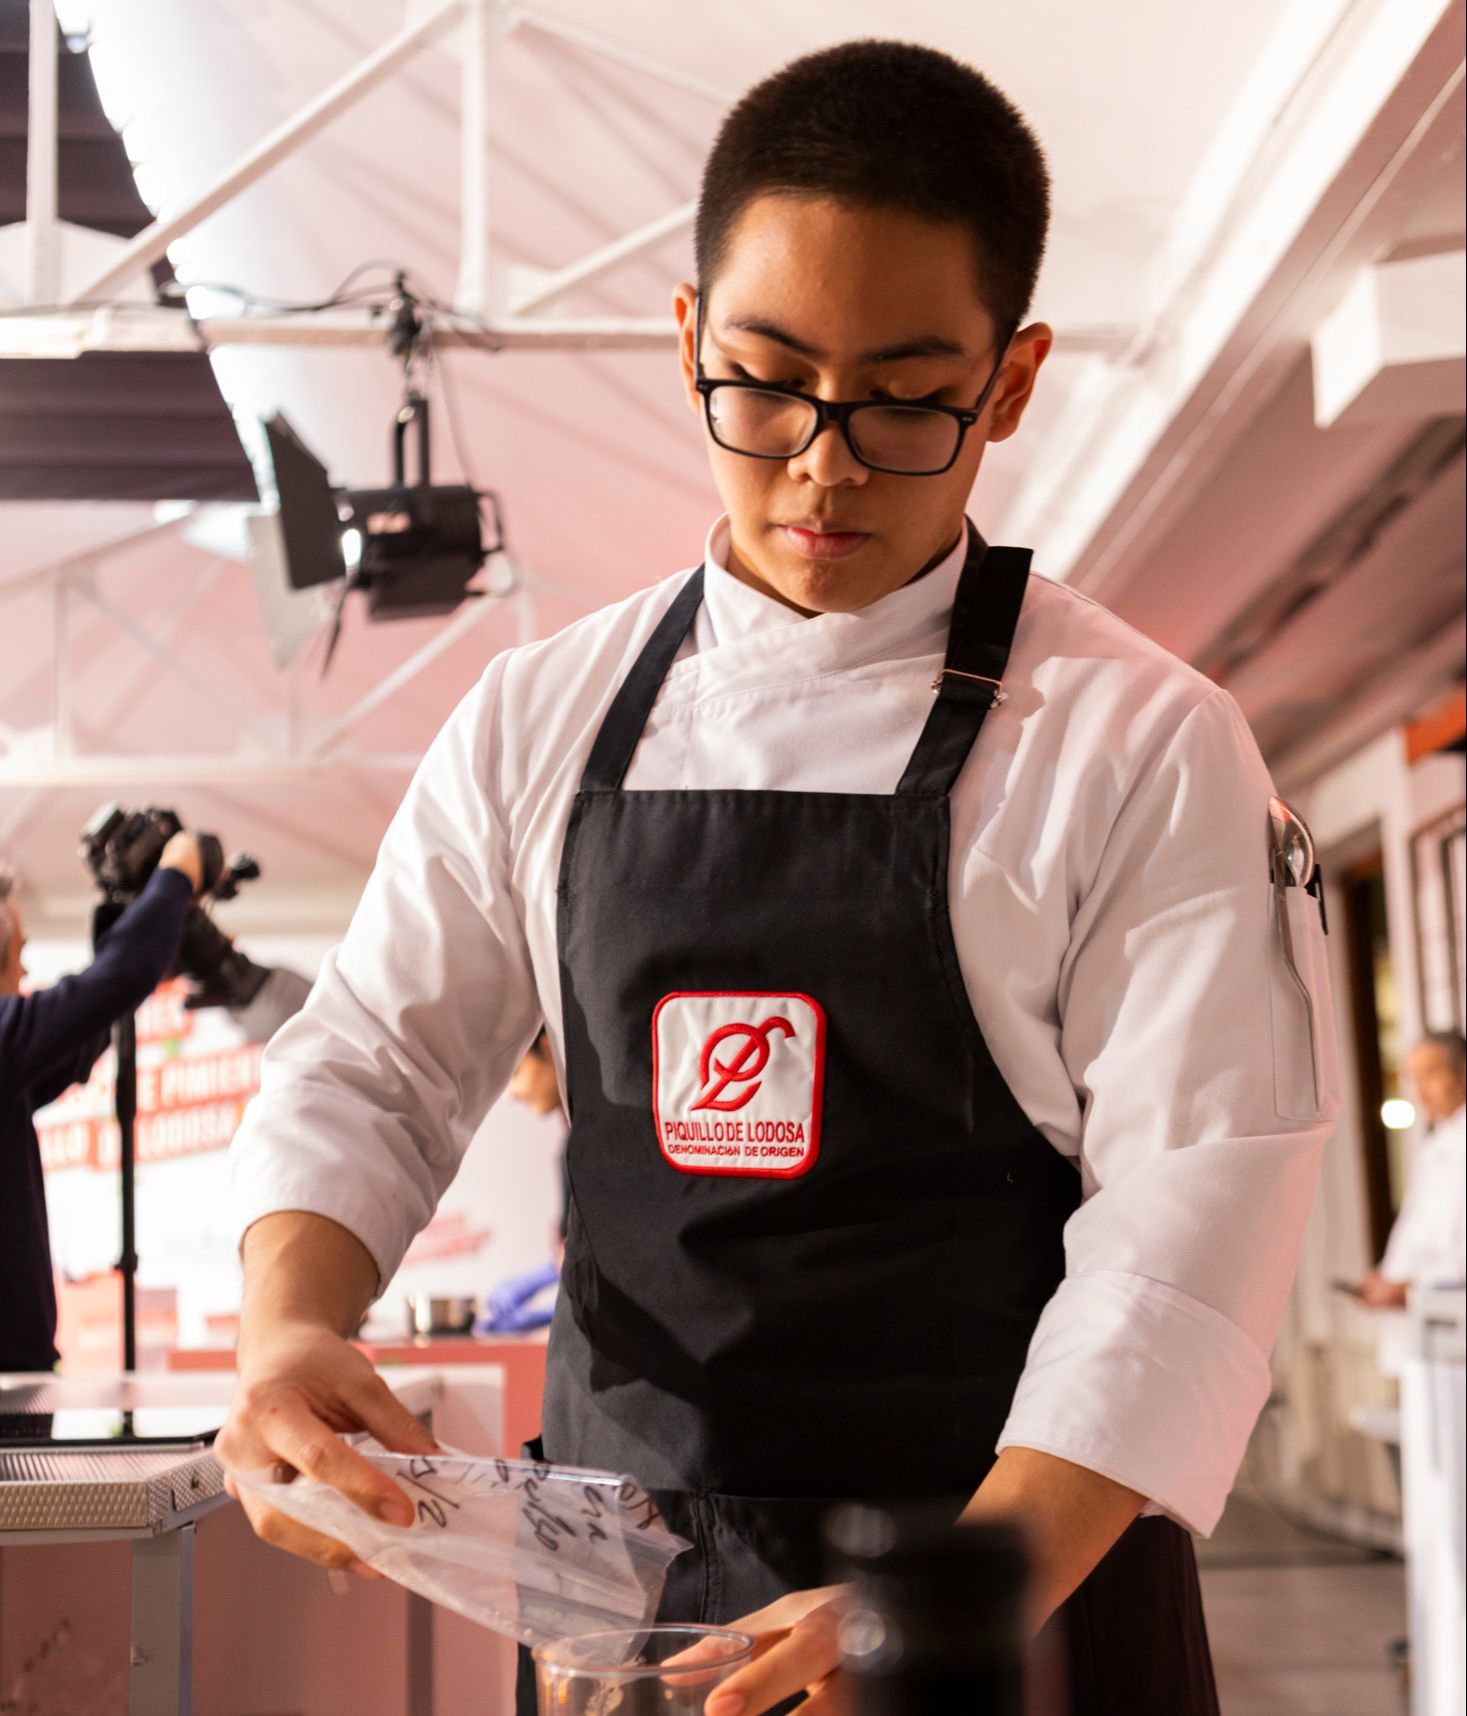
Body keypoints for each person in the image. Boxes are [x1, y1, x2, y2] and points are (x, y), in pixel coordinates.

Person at [220, 41, 1338, 1715]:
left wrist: (959, 1601)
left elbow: (1189, 1233)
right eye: (766, 382)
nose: (823, 464)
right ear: (685, 339)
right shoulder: (545, 713)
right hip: (634, 1623)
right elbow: (376, 1051)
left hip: (1001, 1605)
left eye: (903, 398)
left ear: (1011, 378)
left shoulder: (1135, 744)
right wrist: (290, 1322)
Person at [0, 835, 203, 1374]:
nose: (23, 977)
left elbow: (80, 1031)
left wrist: (138, 941)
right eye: (18, 957)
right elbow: (114, 983)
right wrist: (179, 872)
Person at [1362, 1032, 1467, 1310]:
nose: (1420, 1091)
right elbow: (1414, 1227)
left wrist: (1410, 1287)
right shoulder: (1435, 1145)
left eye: (1430, 1074)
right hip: (1421, 1311)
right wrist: (1389, 1275)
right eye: (1413, 1078)